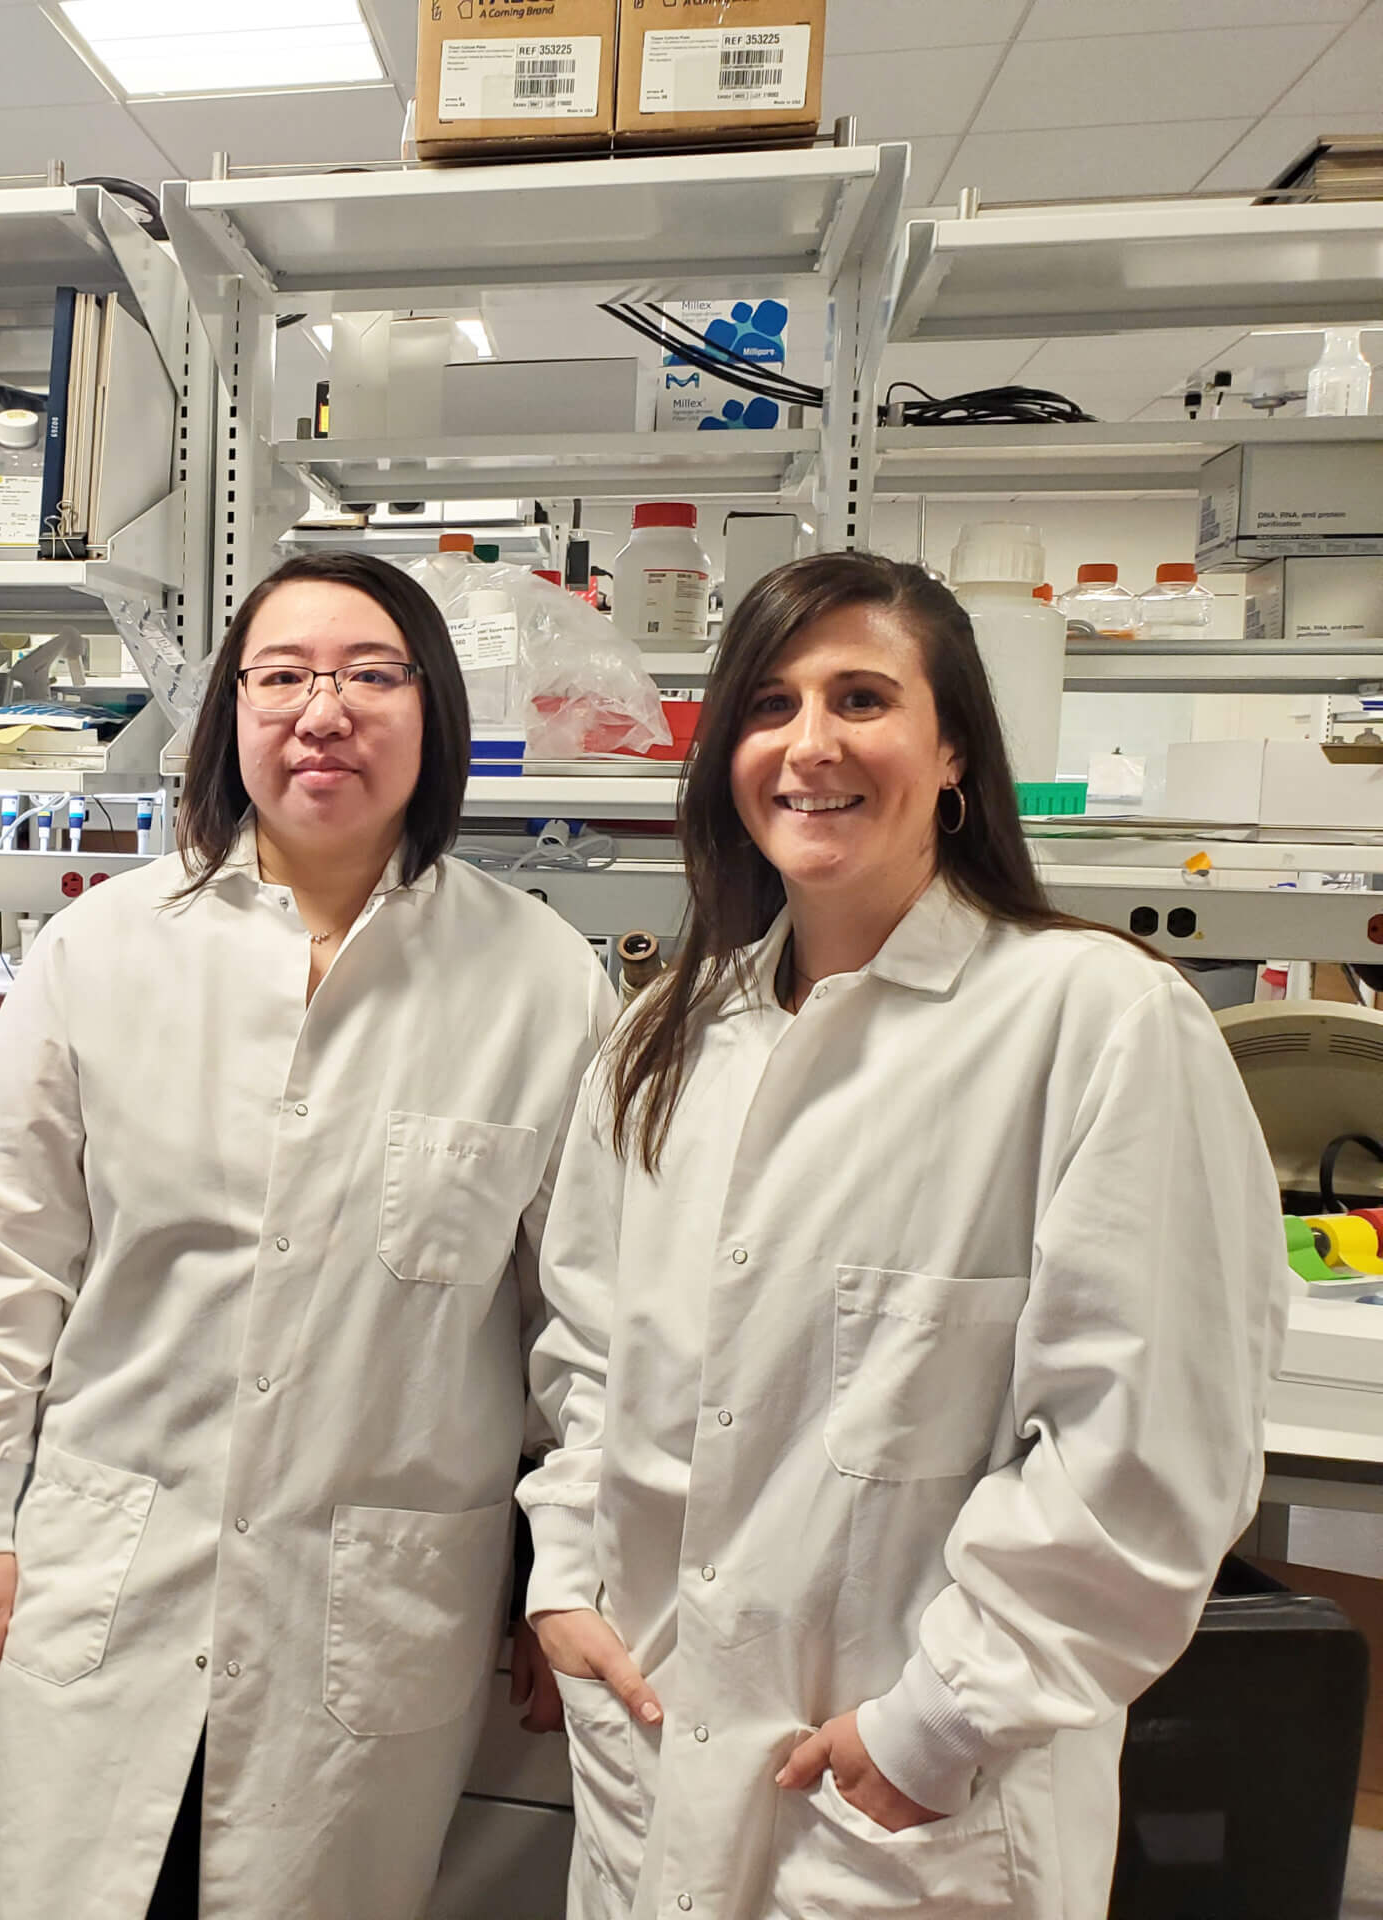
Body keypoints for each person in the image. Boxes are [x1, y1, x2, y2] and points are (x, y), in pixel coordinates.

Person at [522, 551, 1286, 1919]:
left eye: (861, 697)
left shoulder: (1094, 1019)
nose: (808, 745)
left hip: (907, 1802)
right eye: (766, 707)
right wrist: (567, 1574)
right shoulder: (664, 1038)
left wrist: (940, 1724)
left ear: (952, 757)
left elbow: (1152, 1450)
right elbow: (589, 1350)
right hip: (653, 1754)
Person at [0, 548, 614, 1919]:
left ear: (435, 715)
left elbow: (585, 1332)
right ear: (230, 714)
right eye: (282, 676)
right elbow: (6, 1260)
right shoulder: (105, 950)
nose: (324, 711)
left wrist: (568, 1576)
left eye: (372, 675)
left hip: (369, 1613)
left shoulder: (540, 978)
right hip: (114, 1573)